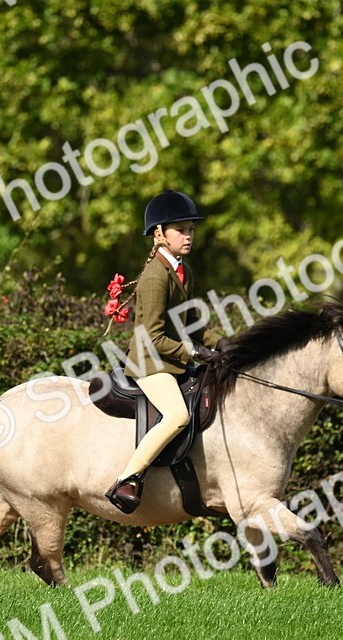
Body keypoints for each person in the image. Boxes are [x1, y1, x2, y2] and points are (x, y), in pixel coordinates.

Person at [105, 190, 224, 514]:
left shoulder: (184, 270)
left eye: (191, 229)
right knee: (177, 415)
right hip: (149, 363)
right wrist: (193, 353)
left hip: (170, 360)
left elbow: (193, 323)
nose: (188, 236)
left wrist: (222, 343)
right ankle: (127, 479)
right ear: (159, 234)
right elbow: (152, 336)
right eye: (180, 230)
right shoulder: (156, 276)